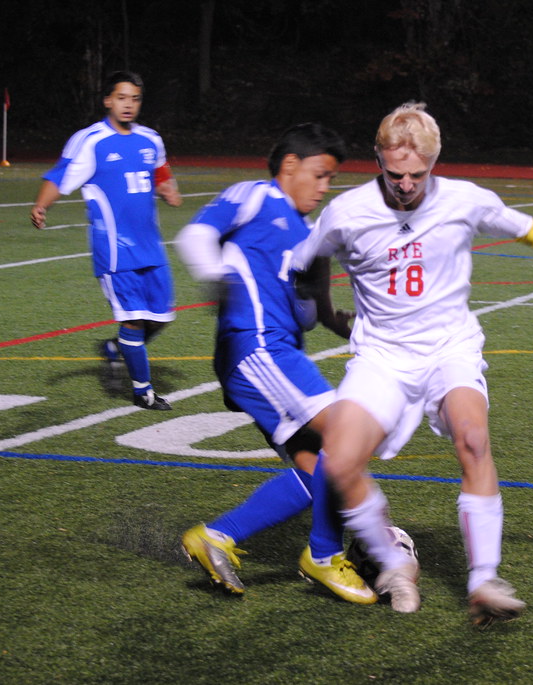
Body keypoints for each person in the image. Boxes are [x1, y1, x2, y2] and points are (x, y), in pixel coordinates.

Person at [291, 102, 533, 625]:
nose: (404, 185)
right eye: (394, 173)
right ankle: (393, 561)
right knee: (342, 458)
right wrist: (327, 314)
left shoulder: (464, 199)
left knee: (473, 437)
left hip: (450, 348)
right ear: (378, 159)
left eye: (417, 175)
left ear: (434, 162)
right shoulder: (348, 212)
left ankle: (483, 579)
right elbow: (307, 262)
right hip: (383, 355)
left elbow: (528, 229)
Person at [174, 123, 375, 604]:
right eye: (320, 174)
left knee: (316, 470)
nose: (325, 187)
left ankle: (216, 537)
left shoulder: (307, 235)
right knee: (347, 435)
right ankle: (325, 556)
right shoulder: (257, 195)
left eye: (331, 179)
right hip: (257, 349)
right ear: (290, 164)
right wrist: (214, 274)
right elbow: (195, 234)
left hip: (280, 353)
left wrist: (356, 328)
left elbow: (317, 312)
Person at [30, 70, 182, 410]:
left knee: (160, 316)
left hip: (151, 246)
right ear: (108, 101)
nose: (129, 105)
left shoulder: (150, 138)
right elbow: (60, 175)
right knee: (131, 318)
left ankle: (114, 349)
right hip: (115, 249)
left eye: (135, 99)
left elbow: (160, 168)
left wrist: (168, 187)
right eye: (122, 98)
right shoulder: (90, 140)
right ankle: (142, 391)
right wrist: (41, 205)